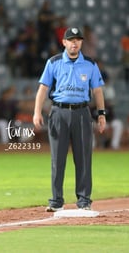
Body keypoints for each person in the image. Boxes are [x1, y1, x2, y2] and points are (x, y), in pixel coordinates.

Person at [33, 27, 107, 212]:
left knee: (83, 158)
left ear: (81, 42)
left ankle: (84, 201)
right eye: (71, 39)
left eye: (78, 39)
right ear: (64, 42)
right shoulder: (54, 62)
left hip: (82, 113)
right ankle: (56, 201)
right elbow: (43, 88)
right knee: (57, 159)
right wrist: (37, 112)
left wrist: (102, 114)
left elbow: (97, 90)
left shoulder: (90, 64)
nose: (75, 43)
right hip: (59, 112)